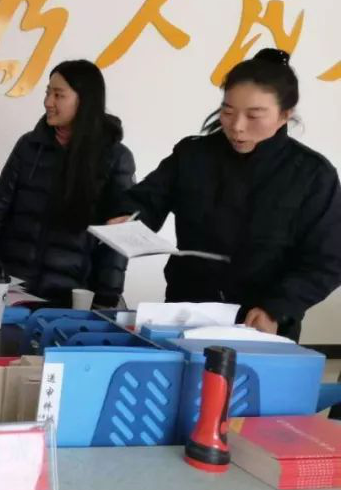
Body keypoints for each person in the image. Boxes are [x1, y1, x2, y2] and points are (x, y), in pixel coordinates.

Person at [111, 48, 341, 340]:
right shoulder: (193, 155)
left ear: (285, 115)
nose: (237, 127)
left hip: (260, 323)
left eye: (254, 115)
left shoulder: (312, 174)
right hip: (186, 313)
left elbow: (328, 259)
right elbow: (147, 199)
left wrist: (277, 307)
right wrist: (128, 217)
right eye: (228, 112)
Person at [0, 60, 135, 307]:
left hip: (70, 295)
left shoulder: (115, 157)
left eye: (58, 95)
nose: (48, 102)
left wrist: (106, 297)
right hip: (12, 286)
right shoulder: (29, 146)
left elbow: (117, 235)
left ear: (84, 100)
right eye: (47, 93)